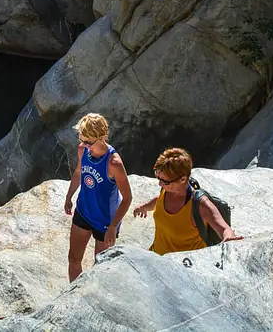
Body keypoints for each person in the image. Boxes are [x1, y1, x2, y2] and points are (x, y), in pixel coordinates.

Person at [132, 147, 242, 255]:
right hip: (157, 258)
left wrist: (229, 238)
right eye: (158, 177)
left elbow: (224, 229)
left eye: (164, 181)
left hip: (185, 267)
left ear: (183, 179)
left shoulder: (200, 204)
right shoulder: (166, 190)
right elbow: (159, 200)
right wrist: (144, 207)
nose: (159, 184)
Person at [63, 113, 132, 281]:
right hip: (84, 211)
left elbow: (128, 197)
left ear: (102, 137)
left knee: (101, 268)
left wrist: (113, 226)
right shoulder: (83, 150)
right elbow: (79, 172)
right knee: (73, 259)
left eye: (88, 142)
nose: (84, 145)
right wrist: (69, 196)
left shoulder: (113, 163)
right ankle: (74, 297)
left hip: (105, 221)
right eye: (82, 140)